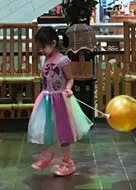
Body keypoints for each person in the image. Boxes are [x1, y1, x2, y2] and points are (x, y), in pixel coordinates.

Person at [28, 27, 92, 177]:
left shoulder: (62, 60)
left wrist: (68, 89)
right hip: (46, 99)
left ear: (53, 43)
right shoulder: (44, 60)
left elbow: (70, 79)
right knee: (45, 128)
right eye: (39, 47)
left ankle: (67, 162)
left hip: (60, 100)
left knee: (63, 132)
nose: (41, 50)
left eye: (43, 47)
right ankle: (47, 155)